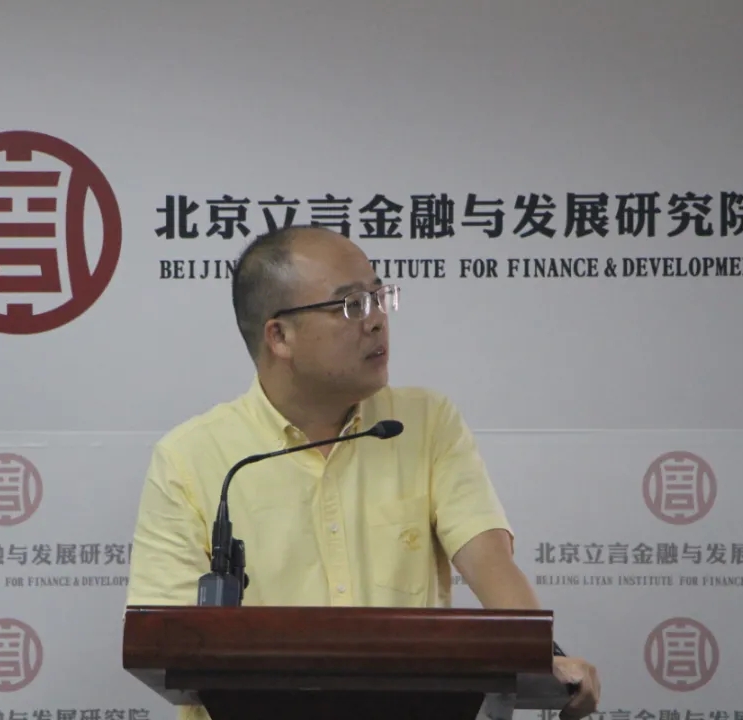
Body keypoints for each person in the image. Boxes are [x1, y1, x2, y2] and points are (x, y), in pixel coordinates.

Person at [125, 226, 600, 719]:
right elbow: (167, 639)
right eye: (351, 305)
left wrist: (544, 653)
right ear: (279, 336)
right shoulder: (190, 458)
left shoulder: (424, 423)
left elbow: (488, 560)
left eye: (378, 297)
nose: (376, 321)